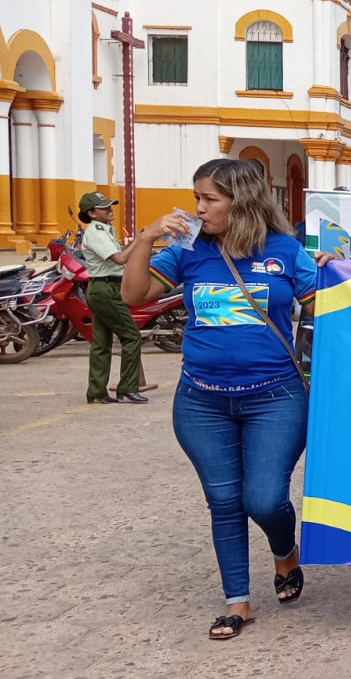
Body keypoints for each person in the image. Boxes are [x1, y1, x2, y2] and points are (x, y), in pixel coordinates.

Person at [120, 159, 318, 641]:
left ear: (242, 201)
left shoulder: (287, 251)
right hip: (201, 402)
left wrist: (336, 274)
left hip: (275, 397)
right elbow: (134, 295)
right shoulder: (187, 249)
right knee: (224, 501)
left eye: (209, 199)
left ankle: (284, 550)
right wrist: (147, 239)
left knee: (266, 498)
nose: (198, 209)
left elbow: (327, 311)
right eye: (197, 198)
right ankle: (237, 602)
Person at [77, 191, 146, 406]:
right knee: (132, 336)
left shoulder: (104, 230)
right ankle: (128, 388)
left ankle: (97, 391)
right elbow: (119, 258)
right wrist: (139, 240)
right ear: (92, 213)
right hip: (105, 288)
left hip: (104, 287)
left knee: (101, 342)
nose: (110, 209)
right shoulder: (96, 232)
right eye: (104, 207)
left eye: (110, 205)